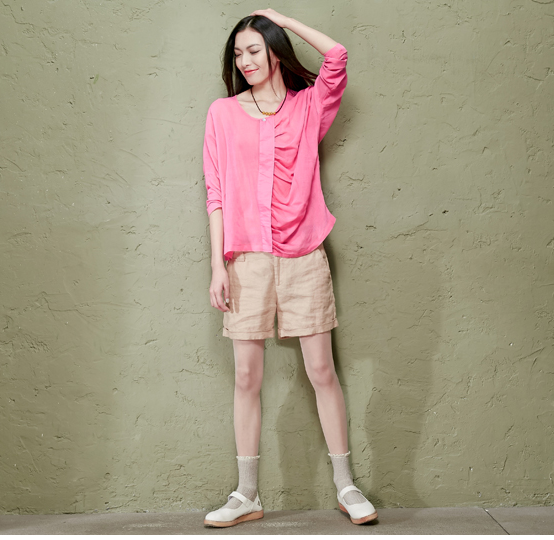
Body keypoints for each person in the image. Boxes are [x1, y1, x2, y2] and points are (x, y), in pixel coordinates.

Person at [201, 9, 377, 528]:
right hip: (245, 261)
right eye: (238, 53)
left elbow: (337, 55)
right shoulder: (222, 113)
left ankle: (346, 486)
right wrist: (217, 266)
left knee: (322, 371)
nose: (245, 60)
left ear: (275, 52)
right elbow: (215, 192)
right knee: (246, 376)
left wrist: (274, 16)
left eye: (255, 49)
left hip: (304, 256)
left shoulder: (308, 107)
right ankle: (246, 494)